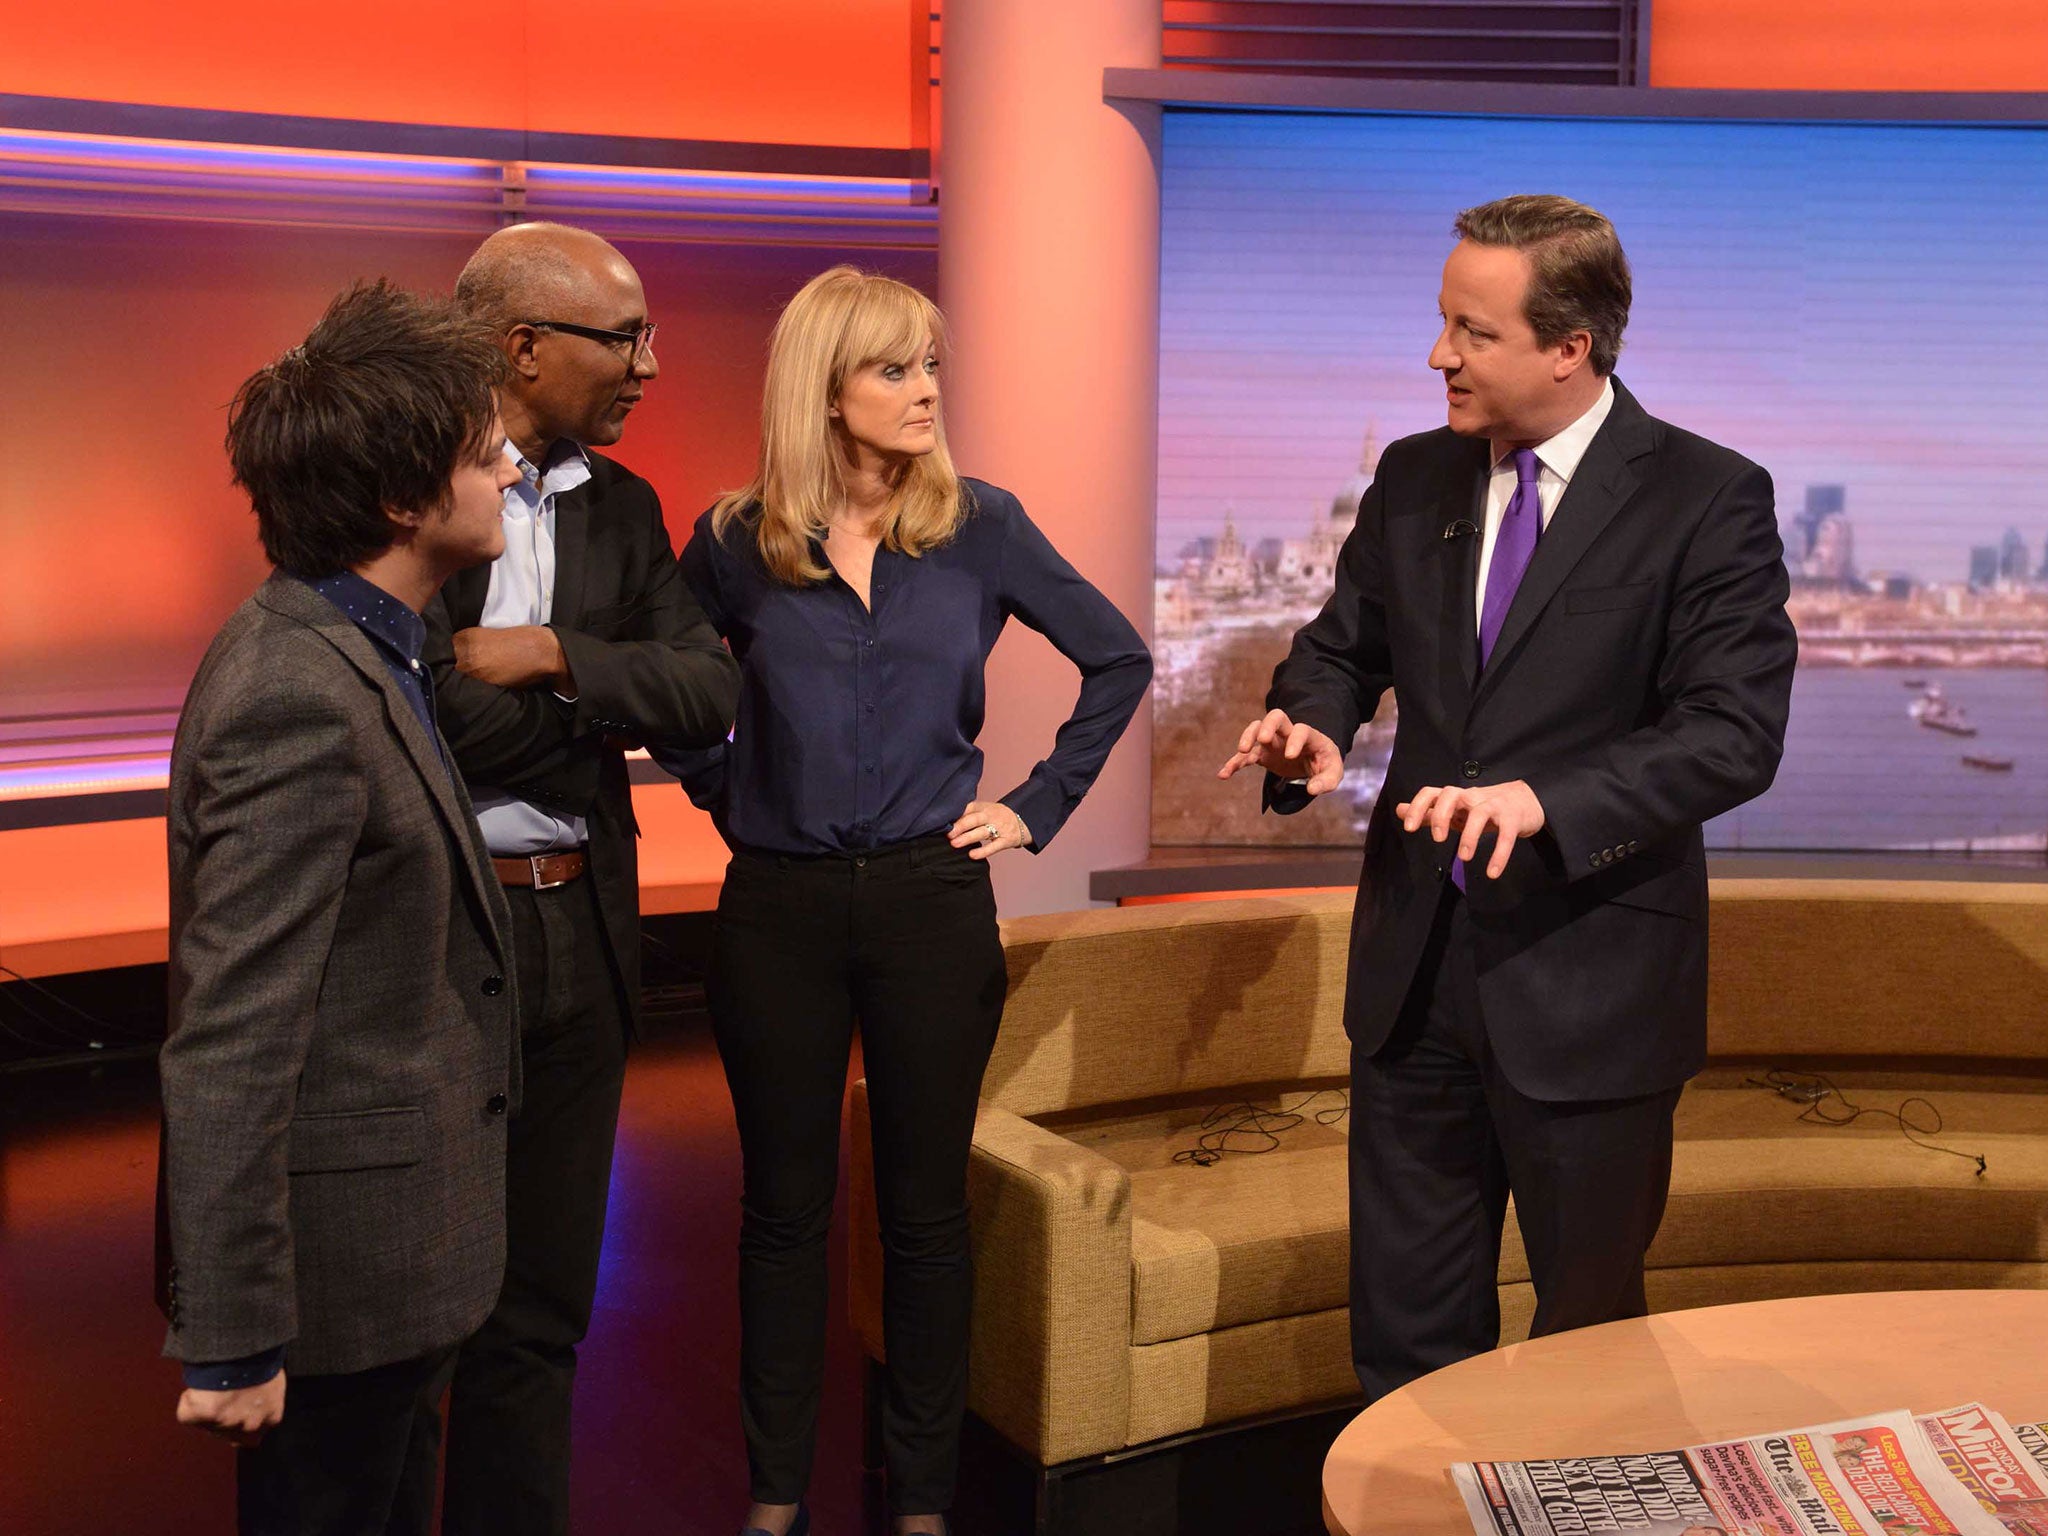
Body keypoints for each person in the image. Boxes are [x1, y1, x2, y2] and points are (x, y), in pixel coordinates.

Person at [1219, 195, 1796, 1400]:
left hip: (1590, 984)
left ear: (1567, 345)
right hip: (1411, 976)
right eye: (1442, 325)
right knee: (1403, 1342)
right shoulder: (1411, 474)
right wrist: (1308, 724)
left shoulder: (1705, 496)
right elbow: (1339, 647)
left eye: (1470, 333)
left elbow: (1730, 735)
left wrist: (1547, 800)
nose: (1438, 356)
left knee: (1586, 1350)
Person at [664, 266, 1151, 1536]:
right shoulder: (731, 540)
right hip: (776, 905)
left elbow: (1117, 657)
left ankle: (923, 1501)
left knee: (926, 1213)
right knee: (782, 1211)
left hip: (934, 905)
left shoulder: (979, 524)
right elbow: (663, 691)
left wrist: (1034, 806)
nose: (927, 389)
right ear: (821, 393)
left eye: (931, 363)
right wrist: (730, 790)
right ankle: (776, 1497)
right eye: (894, 368)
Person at [157, 280, 523, 1535]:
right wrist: (232, 1331)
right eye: (484, 454)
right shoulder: (295, 690)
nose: (511, 464)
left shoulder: (360, 647)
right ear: (398, 498)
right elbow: (231, 1035)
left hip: (395, 1268)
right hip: (338, 1284)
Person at [426, 221, 741, 1535]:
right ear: (523, 347)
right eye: (625, 339)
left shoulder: (625, 508)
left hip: (584, 933)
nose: (651, 368)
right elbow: (423, 711)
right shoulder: (408, 484)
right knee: (412, 1303)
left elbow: (709, 690)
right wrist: (600, 704)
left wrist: (554, 653)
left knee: (544, 1306)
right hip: (444, 938)